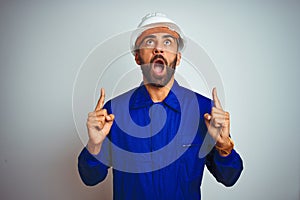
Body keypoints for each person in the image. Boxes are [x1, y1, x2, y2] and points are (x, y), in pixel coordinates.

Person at [78, 12, 243, 200]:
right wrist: (94, 145)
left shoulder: (205, 111)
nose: (158, 49)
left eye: (167, 42)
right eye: (149, 42)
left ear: (178, 58)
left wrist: (224, 146)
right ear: (138, 57)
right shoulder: (113, 112)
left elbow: (229, 177)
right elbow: (90, 178)